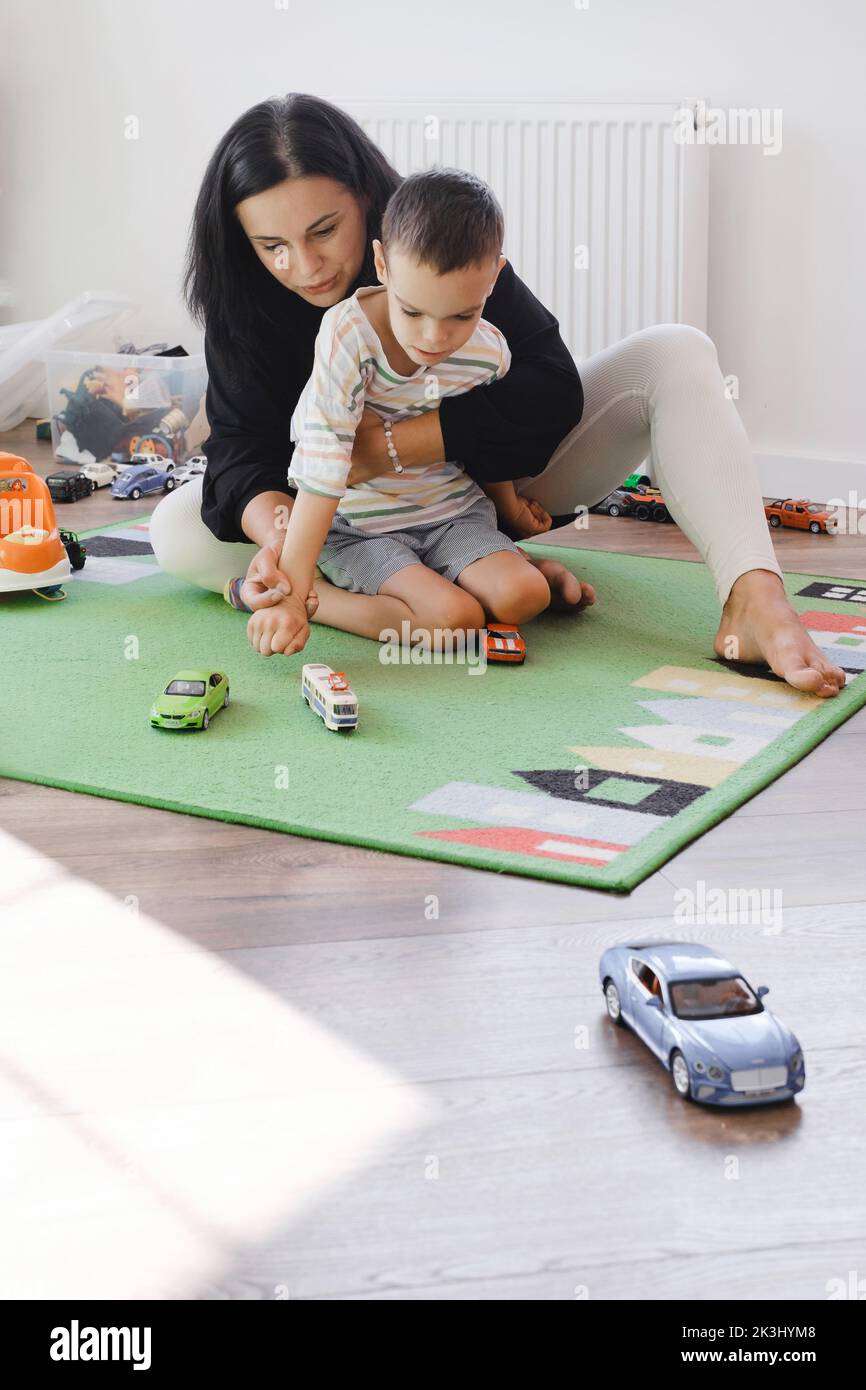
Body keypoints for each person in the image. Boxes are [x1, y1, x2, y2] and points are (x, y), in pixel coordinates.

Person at [150, 92, 846, 699]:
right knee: (175, 529)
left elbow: (550, 389)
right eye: (271, 245)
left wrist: (393, 447)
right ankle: (353, 587)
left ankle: (754, 598)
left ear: (370, 202)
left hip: (477, 487)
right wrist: (279, 534)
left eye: (324, 231)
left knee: (674, 351)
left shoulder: (432, 250)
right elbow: (241, 454)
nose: (303, 267)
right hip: (335, 520)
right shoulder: (248, 307)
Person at [243, 167, 575, 657]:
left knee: (526, 596)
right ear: (382, 263)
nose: (434, 338)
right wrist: (291, 594)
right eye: (413, 311)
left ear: (494, 279)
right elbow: (323, 469)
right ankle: (319, 599)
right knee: (453, 623)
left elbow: (487, 439)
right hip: (359, 526)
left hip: (449, 513)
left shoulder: (489, 351)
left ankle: (493, 570)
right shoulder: (347, 336)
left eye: (463, 315)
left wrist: (509, 510)